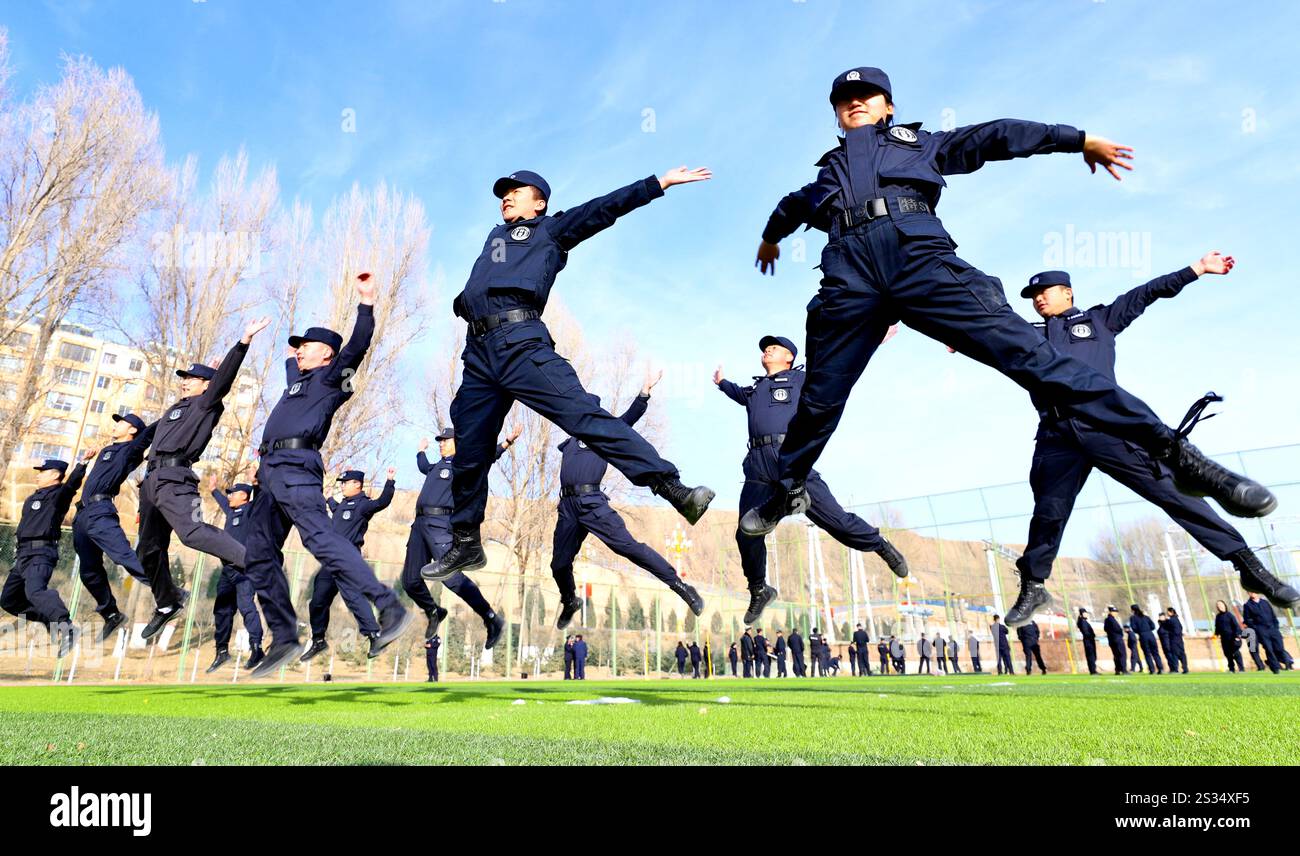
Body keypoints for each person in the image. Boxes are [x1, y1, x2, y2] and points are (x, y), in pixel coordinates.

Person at [740, 67, 1276, 583]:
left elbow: (998, 135)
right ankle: (787, 488)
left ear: (888, 106)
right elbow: (789, 208)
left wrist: (1077, 139)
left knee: (1039, 361)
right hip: (849, 278)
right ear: (836, 114)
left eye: (868, 94)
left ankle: (1178, 457)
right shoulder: (825, 176)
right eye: (843, 99)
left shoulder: (919, 144)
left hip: (920, 260)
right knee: (818, 403)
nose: (854, 101)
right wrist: (771, 238)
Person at [425, 167, 717, 584]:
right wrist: (464, 301)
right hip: (478, 354)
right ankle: (467, 541)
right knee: (469, 450)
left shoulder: (551, 230)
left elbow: (604, 209)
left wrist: (657, 184)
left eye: (515, 192)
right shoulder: (494, 238)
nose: (506, 197)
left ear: (539, 201)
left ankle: (672, 488)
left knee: (585, 417)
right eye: (502, 193)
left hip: (520, 343)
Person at [1003, 254, 1292, 626]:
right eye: (1033, 295)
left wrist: (1197, 270)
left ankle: (1248, 565)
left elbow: (1147, 292)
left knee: (1173, 490)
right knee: (1048, 514)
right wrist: (962, 339)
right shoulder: (1030, 334)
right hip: (1057, 435)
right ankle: (1033, 587)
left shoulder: (1099, 320)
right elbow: (986, 329)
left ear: (1068, 293)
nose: (1038, 299)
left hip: (1107, 427)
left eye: (1045, 291)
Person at [243, 276, 411, 678]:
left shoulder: (330, 377)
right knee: (257, 553)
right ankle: (284, 636)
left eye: (307, 346)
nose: (299, 351)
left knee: (321, 540)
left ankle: (388, 605)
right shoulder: (298, 382)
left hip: (297, 469)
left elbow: (359, 344)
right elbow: (291, 359)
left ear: (327, 355)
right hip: (268, 475)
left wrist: (366, 304)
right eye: (297, 347)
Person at [717, 336, 906, 623]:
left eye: (774, 347)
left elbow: (840, 361)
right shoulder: (755, 389)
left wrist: (873, 338)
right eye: (765, 347)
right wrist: (721, 382)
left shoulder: (801, 379)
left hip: (791, 458)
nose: (767, 349)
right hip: (757, 465)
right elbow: (735, 392)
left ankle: (878, 543)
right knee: (746, 532)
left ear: (789, 357)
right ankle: (759, 589)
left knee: (838, 522)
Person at [136, 318, 271, 639]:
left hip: (175, 477)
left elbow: (223, 379)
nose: (186, 382)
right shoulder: (175, 408)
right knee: (147, 549)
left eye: (194, 379)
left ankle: (254, 563)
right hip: (151, 480)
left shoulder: (205, 404)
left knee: (192, 533)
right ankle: (168, 602)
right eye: (185, 378)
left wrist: (243, 341)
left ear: (206, 386)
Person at [551, 370, 703, 628]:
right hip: (567, 507)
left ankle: (679, 585)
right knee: (559, 564)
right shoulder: (569, 441)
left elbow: (628, 420)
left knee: (628, 547)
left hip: (592, 503)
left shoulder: (604, 435)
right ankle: (570, 600)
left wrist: (644, 393)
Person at [402, 429, 513, 652]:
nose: (441, 444)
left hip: (441, 524)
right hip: (420, 525)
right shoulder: (436, 466)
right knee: (410, 581)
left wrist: (506, 443)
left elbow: (486, 457)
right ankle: (434, 611)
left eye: (445, 441)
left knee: (451, 578)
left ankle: (491, 617)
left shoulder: (462, 463)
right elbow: (423, 466)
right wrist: (420, 452)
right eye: (440, 441)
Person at [71, 412, 157, 640]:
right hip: (82, 516)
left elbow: (149, 434)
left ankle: (168, 592)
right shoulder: (107, 450)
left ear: (132, 430)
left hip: (100, 510)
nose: (117, 424)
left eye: (122, 422)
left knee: (124, 556)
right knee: (88, 571)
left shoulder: (130, 450)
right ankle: (111, 614)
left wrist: (180, 408)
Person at [300, 467, 397, 662]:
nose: (342, 486)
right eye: (342, 483)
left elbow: (382, 502)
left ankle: (374, 636)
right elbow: (335, 508)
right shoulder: (342, 505)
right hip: (330, 559)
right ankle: (318, 639)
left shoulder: (363, 506)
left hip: (348, 558)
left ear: (357, 484)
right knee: (318, 600)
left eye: (345, 483)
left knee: (353, 598)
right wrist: (327, 498)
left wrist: (390, 482)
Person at [2, 454, 93, 656]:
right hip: (23, 556)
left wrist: (82, 464)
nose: (37, 476)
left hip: (41, 553)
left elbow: (71, 486)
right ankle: (48, 620)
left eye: (42, 473)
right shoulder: (31, 499)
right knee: (8, 600)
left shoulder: (58, 496)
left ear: (55, 476)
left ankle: (66, 626)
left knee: (35, 591)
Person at [207, 477, 265, 673]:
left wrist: (257, 483)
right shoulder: (232, 512)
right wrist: (214, 490)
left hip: (245, 570)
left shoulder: (251, 511)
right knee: (222, 610)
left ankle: (257, 649)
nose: (229, 496)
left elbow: (260, 499)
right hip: (228, 570)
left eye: (233, 493)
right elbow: (223, 501)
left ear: (244, 496)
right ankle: (221, 651)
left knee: (246, 607)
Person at [1241, 593, 1287, 674]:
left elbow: (1273, 615)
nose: (1252, 593)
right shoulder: (1247, 605)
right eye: (1249, 592)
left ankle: (1281, 662)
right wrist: (1257, 628)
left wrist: (1276, 626)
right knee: (1269, 649)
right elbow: (1247, 619)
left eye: (1253, 591)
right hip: (1261, 630)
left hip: (1273, 629)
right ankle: (1275, 668)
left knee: (1279, 648)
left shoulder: (1265, 602)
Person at [1129, 605, 1164, 674]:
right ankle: (1160, 668)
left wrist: (1140, 631)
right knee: (1155, 653)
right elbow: (1153, 626)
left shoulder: (1133, 618)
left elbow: (1133, 628)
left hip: (1143, 636)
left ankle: (1152, 669)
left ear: (1132, 610)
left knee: (1147, 653)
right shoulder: (1146, 617)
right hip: (1151, 635)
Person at [1212, 600, 1245, 673]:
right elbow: (1217, 627)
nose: (1219, 606)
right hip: (1224, 638)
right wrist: (1215, 635)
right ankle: (1231, 669)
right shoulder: (1218, 617)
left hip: (1232, 637)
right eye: (1218, 605)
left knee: (1236, 653)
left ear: (1224, 605)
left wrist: (1237, 636)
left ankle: (1241, 669)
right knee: (1227, 654)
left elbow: (1236, 626)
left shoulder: (1230, 615)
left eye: (1221, 604)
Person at [1103, 606, 1127, 675]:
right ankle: (1123, 669)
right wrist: (1120, 633)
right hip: (1117, 639)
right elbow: (1118, 629)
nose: (1116, 613)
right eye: (1115, 612)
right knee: (1122, 654)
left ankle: (1118, 669)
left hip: (1111, 640)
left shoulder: (1107, 620)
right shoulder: (1112, 620)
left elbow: (1105, 629)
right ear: (1111, 612)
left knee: (1116, 655)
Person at [1165, 608, 1190, 674]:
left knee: (1174, 654)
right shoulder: (1177, 619)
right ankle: (1185, 668)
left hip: (1174, 639)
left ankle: (1175, 669)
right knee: (1182, 654)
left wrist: (1164, 621)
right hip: (1179, 639)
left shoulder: (1171, 620)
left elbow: (1166, 626)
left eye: (1168, 612)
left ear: (1171, 612)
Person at [1077, 607, 1098, 675]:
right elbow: (1086, 632)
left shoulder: (1084, 621)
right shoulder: (1083, 622)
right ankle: (1093, 670)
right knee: (1091, 655)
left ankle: (1093, 670)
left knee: (1092, 655)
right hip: (1088, 641)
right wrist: (1091, 635)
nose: (1086, 614)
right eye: (1084, 613)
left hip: (1089, 640)